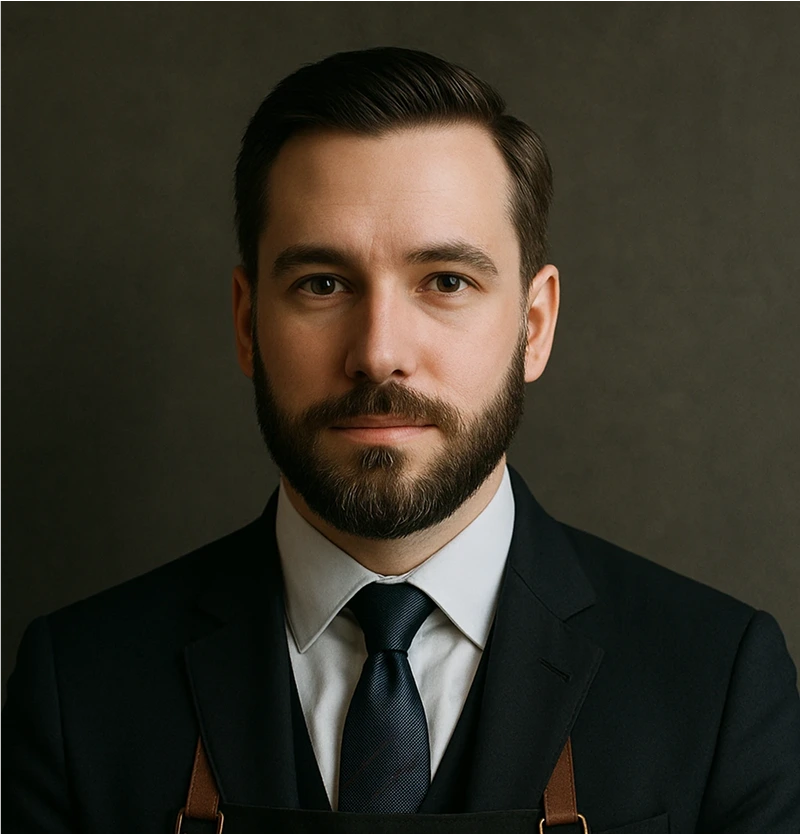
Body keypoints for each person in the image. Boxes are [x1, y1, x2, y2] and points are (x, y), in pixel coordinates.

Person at [1, 46, 798, 834]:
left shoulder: (717, 679)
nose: (379, 350)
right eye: (322, 283)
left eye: (446, 281)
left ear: (534, 324)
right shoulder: (80, 685)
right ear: (248, 324)